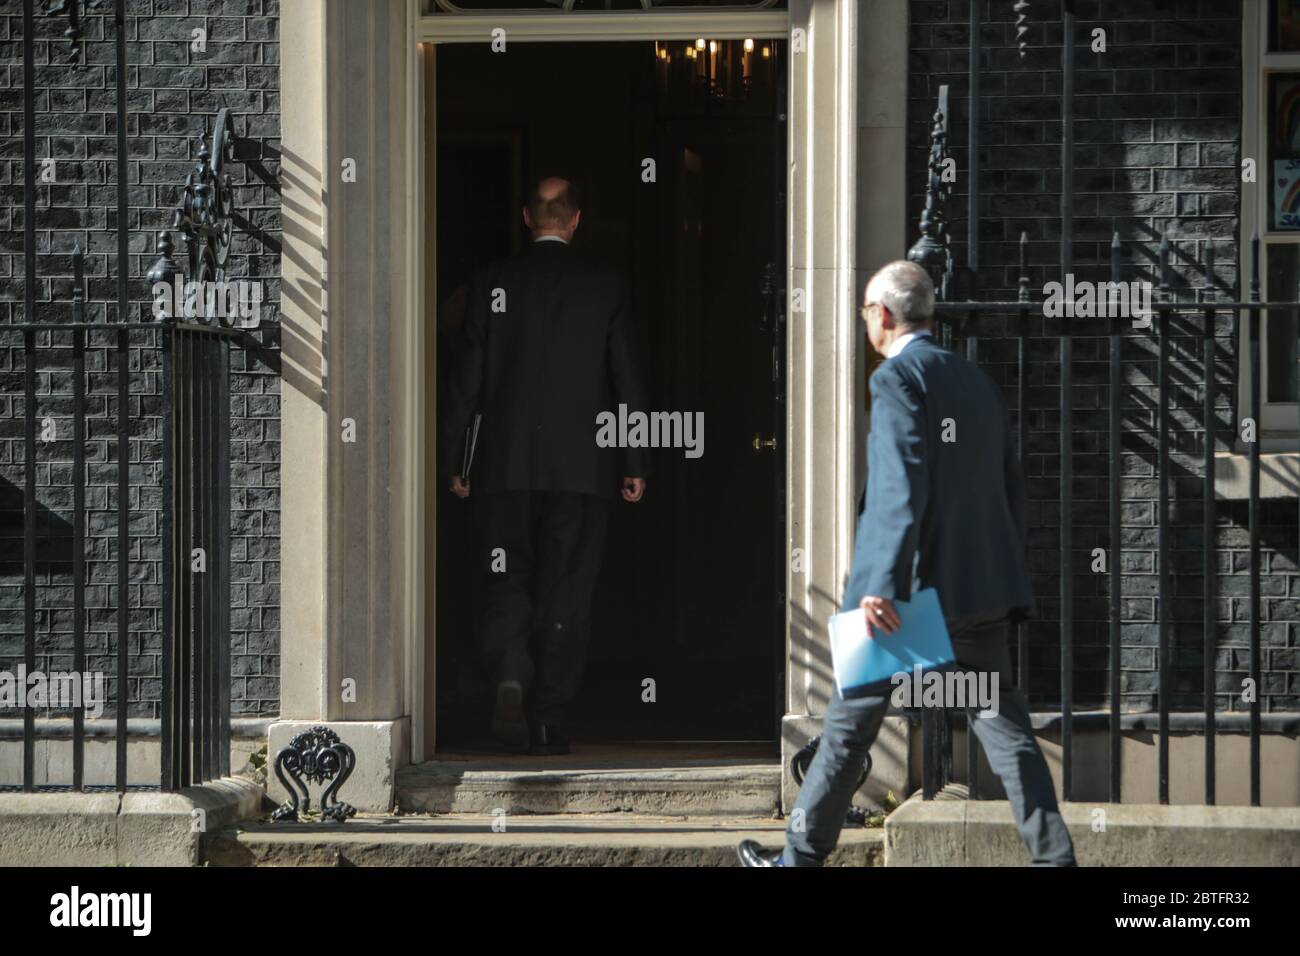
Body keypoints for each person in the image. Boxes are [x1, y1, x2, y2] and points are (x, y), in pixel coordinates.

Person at [738, 260, 1076, 866]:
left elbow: (900, 485)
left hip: (908, 599)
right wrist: (1004, 572)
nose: (867, 319)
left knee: (847, 729)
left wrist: (881, 588)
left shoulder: (897, 379)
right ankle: (1055, 860)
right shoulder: (973, 379)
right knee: (1006, 732)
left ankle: (798, 861)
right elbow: (1009, 486)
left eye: (868, 309)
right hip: (981, 590)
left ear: (886, 316)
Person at [442, 176, 649, 756]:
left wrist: (458, 458)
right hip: (585, 470)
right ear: (575, 220)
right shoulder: (605, 286)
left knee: (505, 575)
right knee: (568, 588)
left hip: (502, 469)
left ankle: (510, 670)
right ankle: (549, 714)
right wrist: (634, 459)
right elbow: (626, 378)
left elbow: (467, 383)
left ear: (527, 218)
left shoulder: (491, 282)